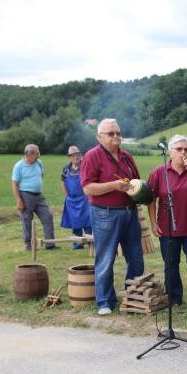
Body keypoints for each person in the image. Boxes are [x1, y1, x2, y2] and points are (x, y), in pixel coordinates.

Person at [80, 118, 144, 316]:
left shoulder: (126, 156)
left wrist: (139, 191)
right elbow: (88, 187)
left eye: (117, 133)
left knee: (135, 257)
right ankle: (105, 301)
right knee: (106, 258)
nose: (116, 136)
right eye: (111, 134)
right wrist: (114, 186)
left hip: (129, 212)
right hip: (104, 213)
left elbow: (135, 180)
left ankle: (133, 297)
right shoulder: (92, 156)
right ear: (99, 137)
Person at [147, 135, 187, 306]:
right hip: (167, 228)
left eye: (186, 149)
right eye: (179, 149)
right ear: (170, 152)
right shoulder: (159, 173)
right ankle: (175, 297)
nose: (183, 152)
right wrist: (153, 223)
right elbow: (151, 199)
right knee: (171, 264)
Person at [11, 144, 59, 251]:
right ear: (29, 154)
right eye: (37, 153)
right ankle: (29, 245)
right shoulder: (19, 166)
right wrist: (19, 200)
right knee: (27, 220)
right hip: (25, 195)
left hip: (38, 195)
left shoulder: (39, 163)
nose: (39, 155)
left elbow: (40, 176)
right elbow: (15, 184)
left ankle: (50, 244)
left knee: (47, 216)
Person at [61, 145, 92, 249]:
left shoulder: (85, 166)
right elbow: (63, 182)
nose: (75, 157)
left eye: (77, 155)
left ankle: (91, 242)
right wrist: (67, 196)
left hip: (85, 198)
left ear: (80, 155)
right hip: (71, 199)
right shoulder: (66, 169)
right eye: (73, 155)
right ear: (69, 157)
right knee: (75, 222)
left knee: (88, 221)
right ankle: (77, 243)